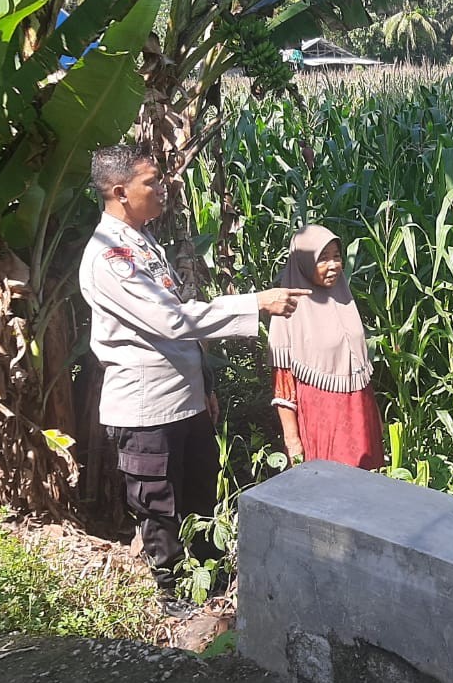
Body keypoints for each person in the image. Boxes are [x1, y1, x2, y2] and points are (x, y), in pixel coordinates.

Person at [78, 144, 310, 619]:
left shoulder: (143, 243)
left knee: (200, 494)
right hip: (147, 409)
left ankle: (215, 583)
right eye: (151, 181)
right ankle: (176, 598)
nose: (162, 188)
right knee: (159, 506)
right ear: (120, 192)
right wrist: (255, 303)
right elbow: (172, 323)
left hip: (183, 400)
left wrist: (204, 385)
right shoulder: (110, 257)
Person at [270, 225, 384, 470]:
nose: (333, 265)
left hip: (359, 417)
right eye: (323, 258)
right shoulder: (287, 309)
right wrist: (292, 441)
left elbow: (360, 370)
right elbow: (283, 387)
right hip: (324, 417)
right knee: (331, 492)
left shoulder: (345, 299)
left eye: (336, 257)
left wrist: (375, 421)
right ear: (304, 262)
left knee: (369, 492)